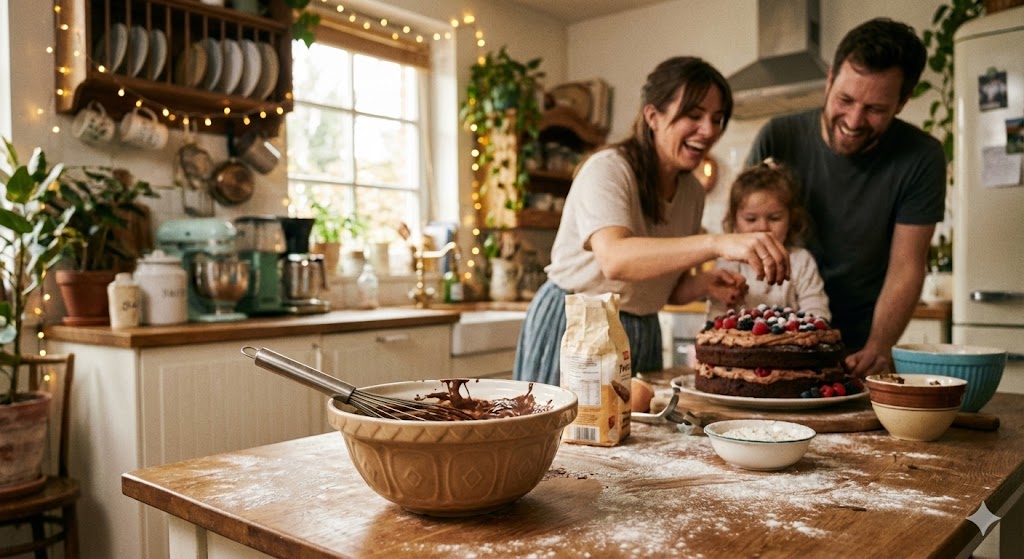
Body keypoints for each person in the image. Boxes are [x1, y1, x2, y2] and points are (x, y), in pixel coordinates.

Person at [513, 56, 792, 386]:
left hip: (641, 330)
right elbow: (616, 260)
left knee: (640, 422)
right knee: (567, 421)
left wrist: (703, 285)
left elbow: (659, 288)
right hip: (578, 324)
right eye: (694, 115)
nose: (709, 131)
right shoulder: (608, 168)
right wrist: (716, 242)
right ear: (653, 116)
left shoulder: (691, 191)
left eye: (717, 119)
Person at [745, 18, 946, 377]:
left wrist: (878, 347)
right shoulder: (777, 137)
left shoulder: (921, 157)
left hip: (858, 349)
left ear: (902, 102)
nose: (853, 120)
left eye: (875, 109)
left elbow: (906, 266)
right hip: (773, 343)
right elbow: (745, 238)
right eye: (845, 99)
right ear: (830, 80)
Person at [707, 159, 830, 321]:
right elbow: (716, 318)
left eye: (774, 218)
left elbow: (817, 313)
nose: (763, 228)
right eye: (751, 219)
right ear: (734, 220)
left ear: (791, 219)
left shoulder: (801, 261)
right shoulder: (728, 264)